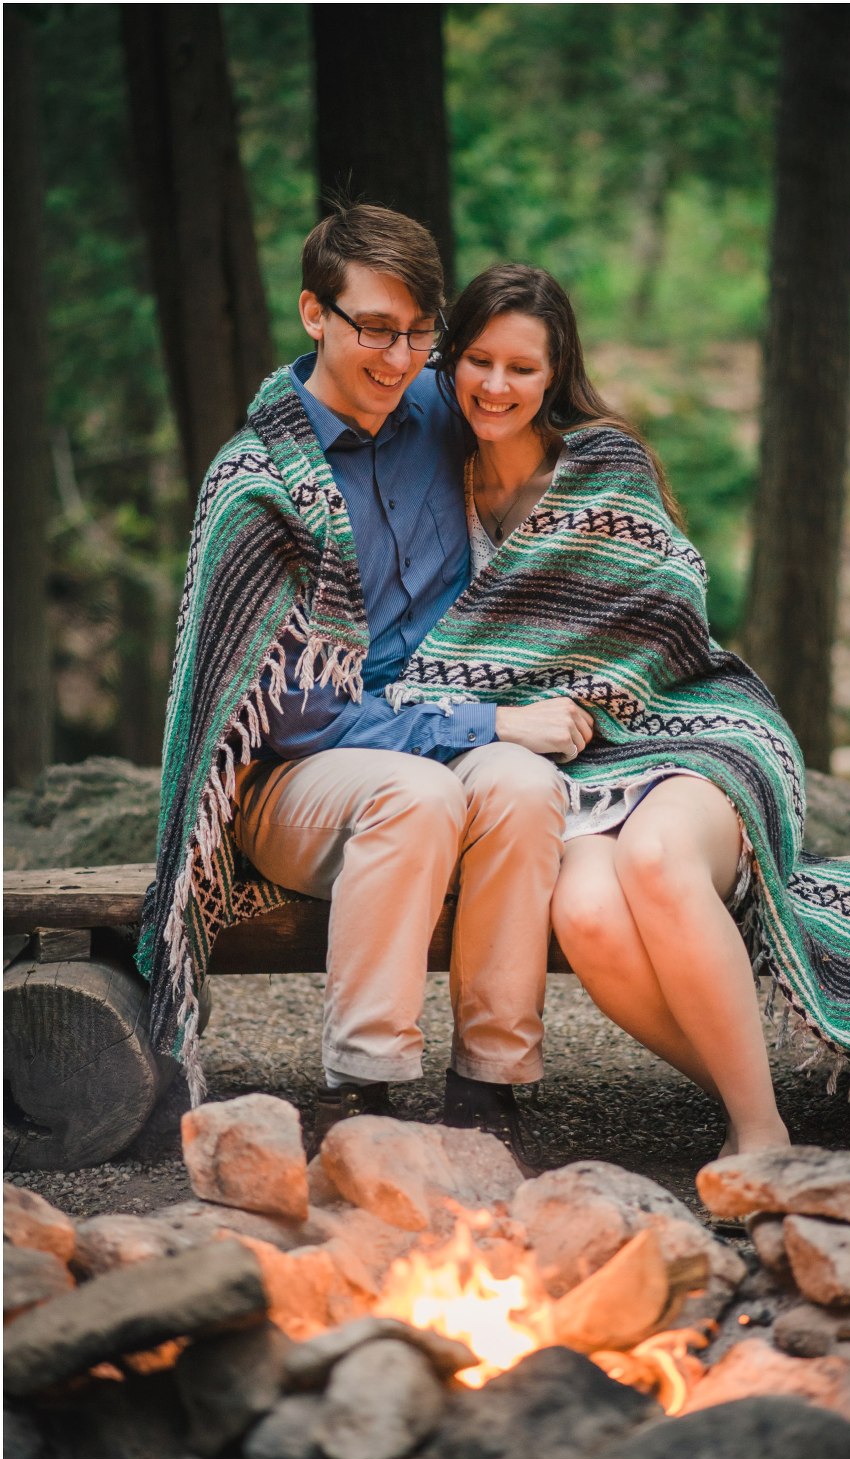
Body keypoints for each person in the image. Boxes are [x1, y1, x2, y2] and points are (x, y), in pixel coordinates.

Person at [388, 263, 850, 1156]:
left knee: (653, 858)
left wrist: (572, 693)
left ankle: (760, 1136)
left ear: (555, 372)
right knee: (589, 915)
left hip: (693, 729)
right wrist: (514, 713)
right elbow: (439, 653)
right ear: (449, 362)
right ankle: (761, 1103)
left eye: (522, 368)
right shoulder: (429, 489)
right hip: (569, 766)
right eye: (478, 360)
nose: (496, 385)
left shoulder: (604, 461)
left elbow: (666, 611)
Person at [137, 208, 587, 1166]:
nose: (400, 356)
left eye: (421, 331)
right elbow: (294, 711)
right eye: (375, 328)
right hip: (297, 777)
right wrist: (492, 717)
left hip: (447, 730)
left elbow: (562, 450)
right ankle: (367, 1090)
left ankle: (488, 1090)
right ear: (314, 312)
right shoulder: (258, 482)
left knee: (524, 785)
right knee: (416, 790)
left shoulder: (443, 408)